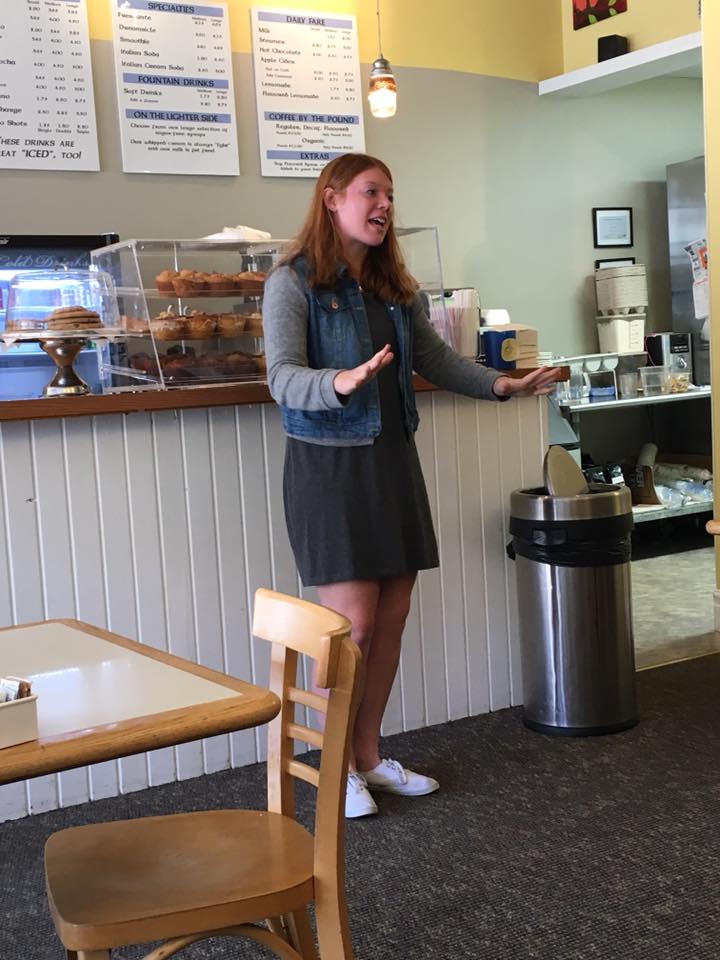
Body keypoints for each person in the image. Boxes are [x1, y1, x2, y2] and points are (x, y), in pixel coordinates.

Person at [263, 153, 559, 818]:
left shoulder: (395, 287)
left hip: (393, 462)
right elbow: (281, 377)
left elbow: (437, 361)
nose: (385, 205)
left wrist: (503, 385)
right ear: (333, 197)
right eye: (372, 192)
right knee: (352, 628)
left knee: (391, 621)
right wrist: (338, 382)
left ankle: (368, 756)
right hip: (329, 468)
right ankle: (334, 768)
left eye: (390, 195)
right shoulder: (292, 282)